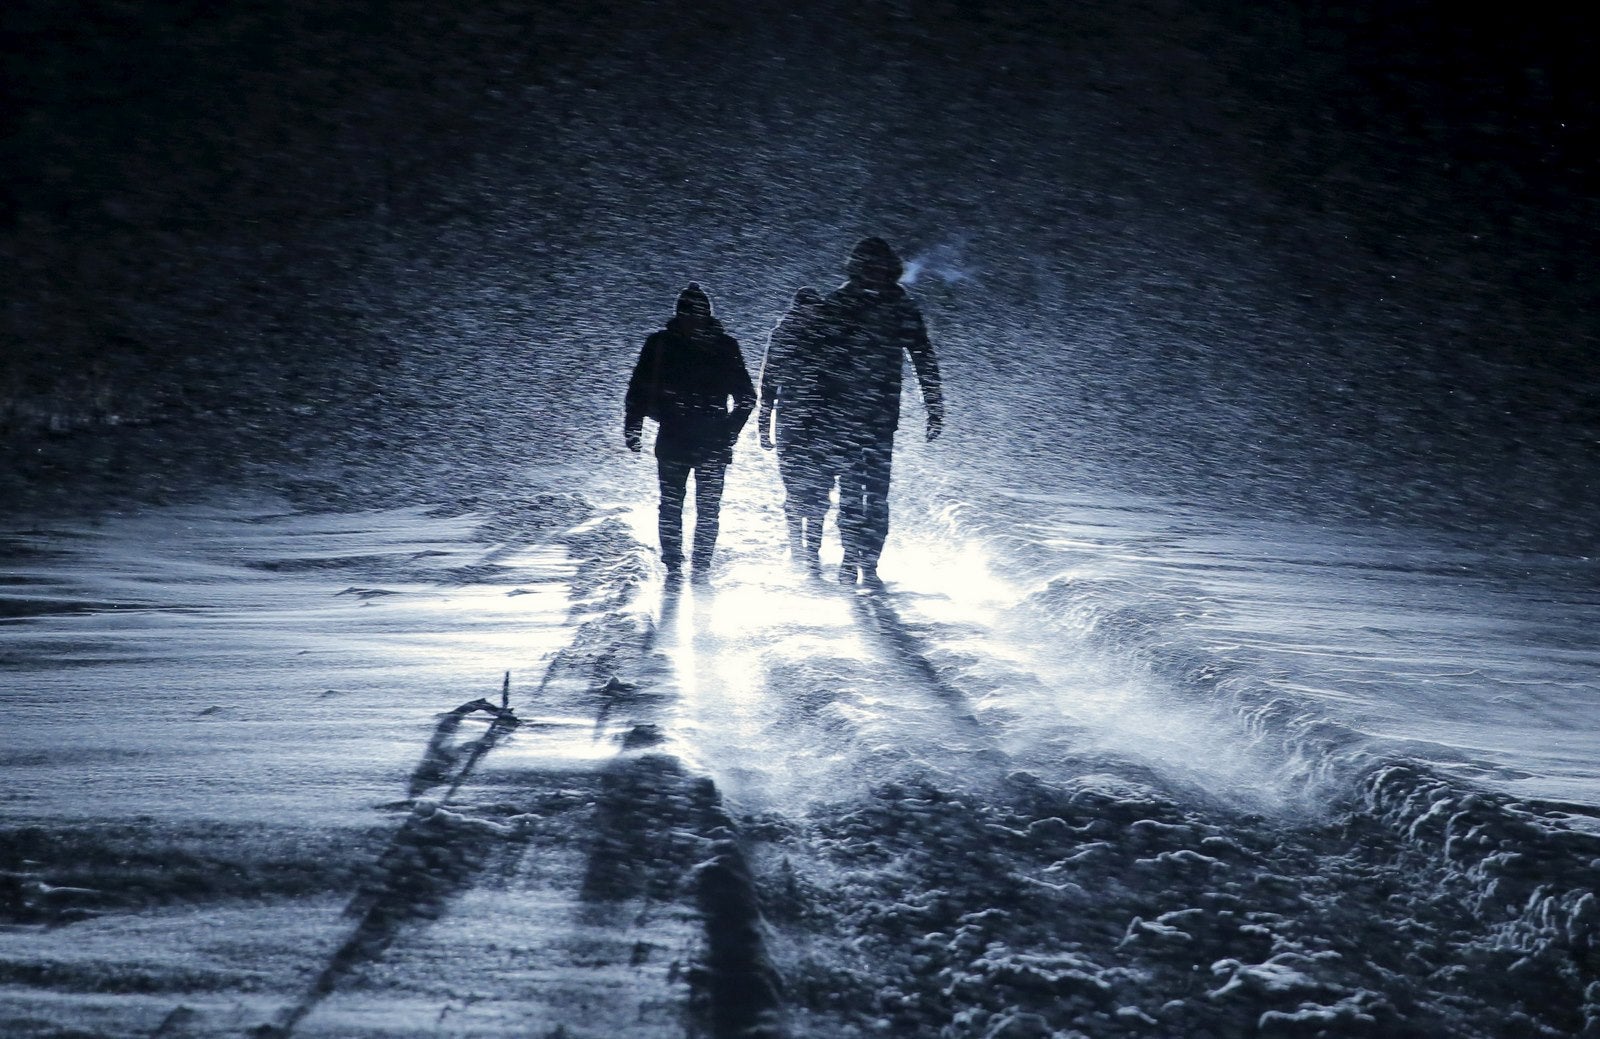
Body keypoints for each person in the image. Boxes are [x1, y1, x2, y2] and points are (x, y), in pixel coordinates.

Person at [812, 237, 944, 589]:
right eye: (869, 268)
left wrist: (934, 403)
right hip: (843, 415)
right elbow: (816, 360)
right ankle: (850, 559)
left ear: (890, 270)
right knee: (854, 493)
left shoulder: (900, 306)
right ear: (857, 268)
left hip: (879, 417)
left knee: (875, 496)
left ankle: (867, 564)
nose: (874, 275)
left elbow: (922, 356)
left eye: (880, 269)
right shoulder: (838, 304)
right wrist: (814, 409)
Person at [624, 283, 756, 583]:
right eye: (690, 315)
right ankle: (685, 564)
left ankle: (688, 564)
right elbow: (746, 398)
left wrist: (635, 426)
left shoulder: (662, 344)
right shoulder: (721, 346)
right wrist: (729, 429)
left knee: (682, 503)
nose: (692, 321)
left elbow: (638, 390)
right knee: (692, 504)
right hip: (697, 436)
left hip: (682, 434)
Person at [757, 286, 834, 577]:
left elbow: (768, 384)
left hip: (816, 423)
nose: (810, 314)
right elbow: (768, 384)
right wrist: (764, 427)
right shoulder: (787, 335)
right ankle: (797, 548)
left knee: (818, 490)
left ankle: (810, 552)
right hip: (797, 423)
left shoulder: (823, 337)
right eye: (807, 308)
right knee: (797, 488)